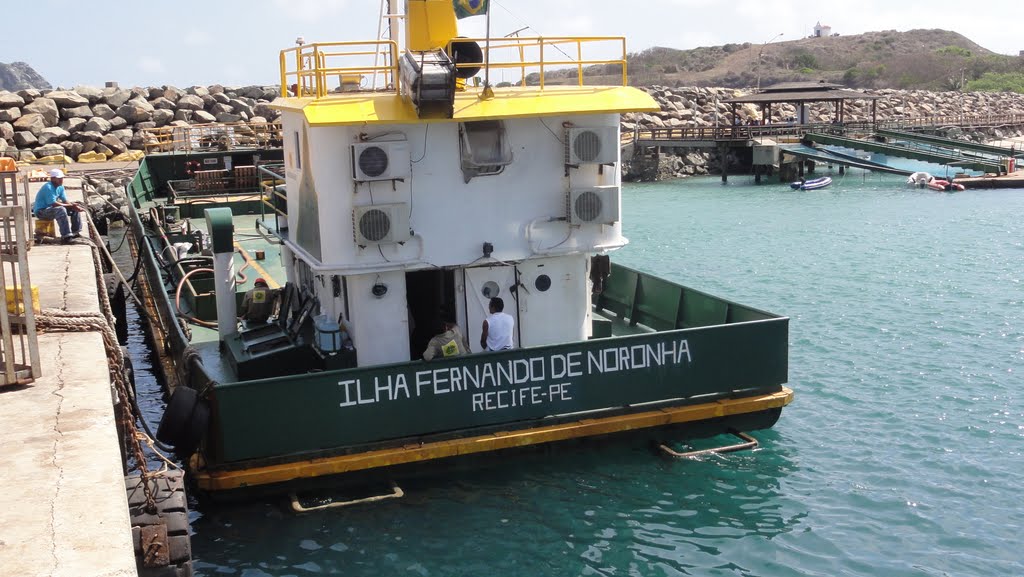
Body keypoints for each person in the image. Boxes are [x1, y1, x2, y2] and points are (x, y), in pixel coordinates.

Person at [33, 169, 82, 243]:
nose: (61, 180)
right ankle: (66, 236)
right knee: (61, 210)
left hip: (51, 209)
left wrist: (73, 206)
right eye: (59, 179)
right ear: (52, 179)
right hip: (41, 211)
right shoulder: (48, 187)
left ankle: (76, 232)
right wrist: (70, 205)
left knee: (74, 209)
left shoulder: (60, 187)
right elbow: (53, 203)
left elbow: (65, 200)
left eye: (61, 178)